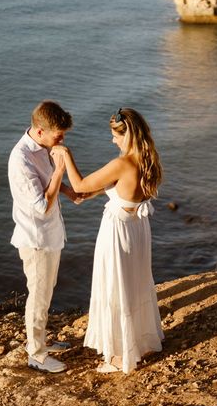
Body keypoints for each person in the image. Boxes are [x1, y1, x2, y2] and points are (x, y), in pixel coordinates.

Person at [52, 107, 164, 374]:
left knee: (115, 286)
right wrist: (73, 192)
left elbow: (80, 185)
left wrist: (66, 155)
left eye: (115, 136)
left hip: (117, 231)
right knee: (134, 284)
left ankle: (118, 357)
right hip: (137, 229)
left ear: (127, 135)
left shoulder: (121, 164)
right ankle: (141, 342)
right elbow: (114, 190)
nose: (112, 141)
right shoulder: (148, 159)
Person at [7, 100, 89, 373]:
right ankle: (36, 355)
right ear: (40, 131)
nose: (62, 140)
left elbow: (48, 185)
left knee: (46, 292)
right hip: (36, 239)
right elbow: (42, 206)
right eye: (58, 135)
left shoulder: (42, 147)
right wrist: (60, 170)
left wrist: (68, 191)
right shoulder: (21, 160)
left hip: (51, 236)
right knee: (38, 297)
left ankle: (41, 342)